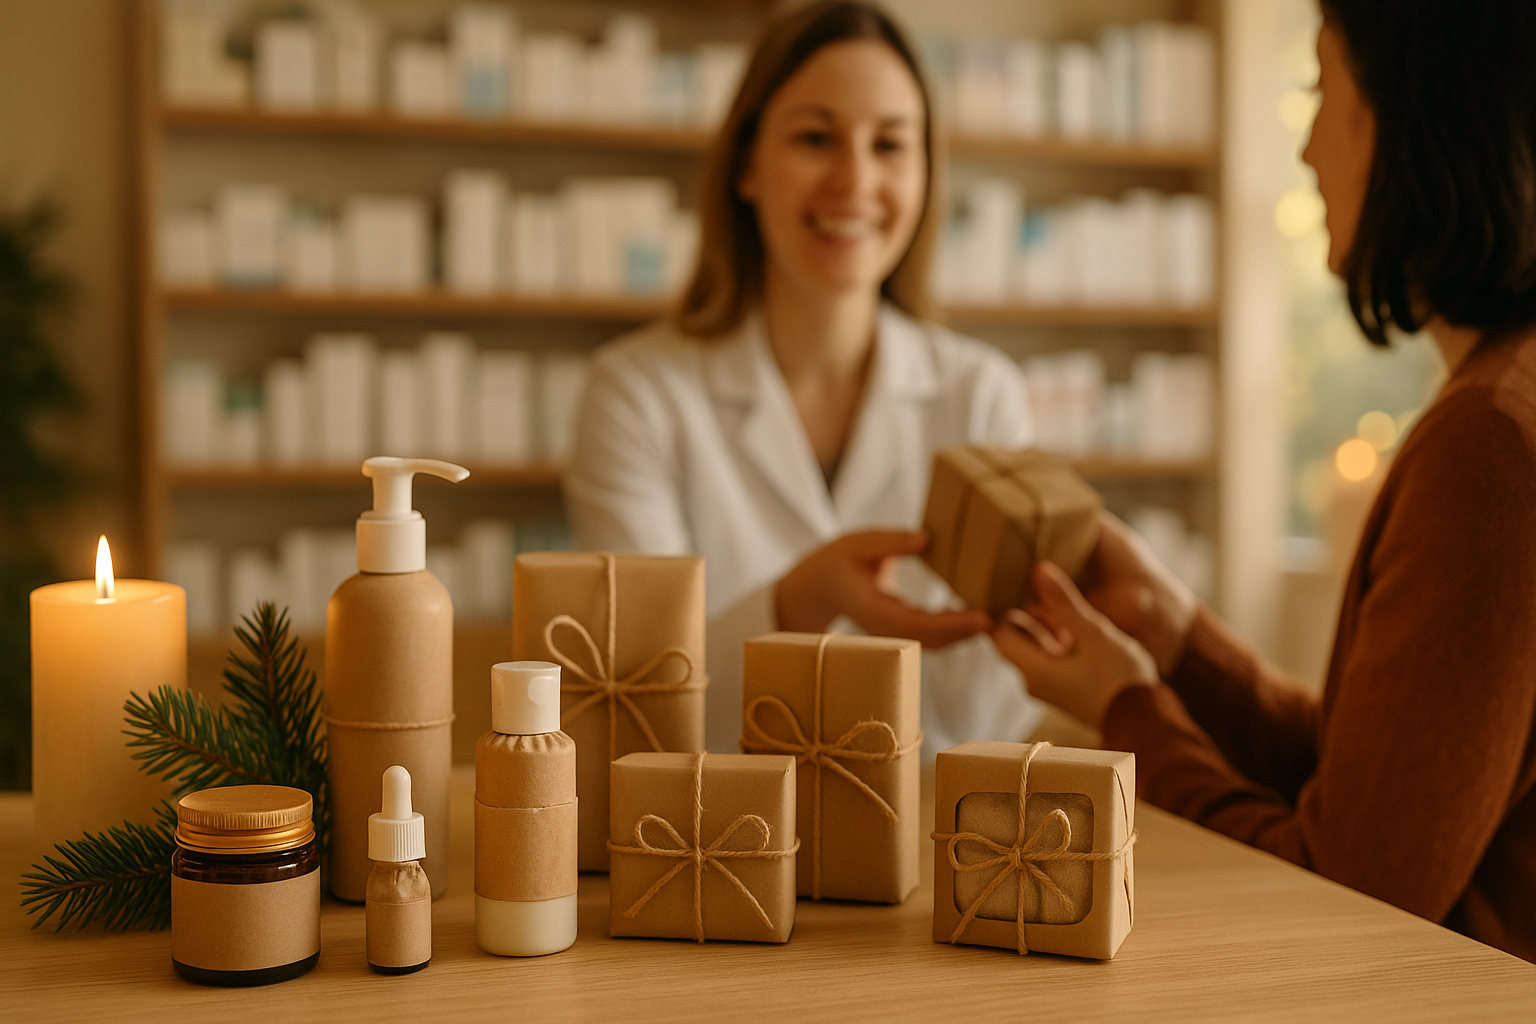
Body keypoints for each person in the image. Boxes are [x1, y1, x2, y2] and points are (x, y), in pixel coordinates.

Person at [990, 0, 1536, 963]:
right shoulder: (1504, 397)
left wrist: (1126, 708)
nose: (1306, 150)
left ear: (1414, 121)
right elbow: (1382, 790)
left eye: (1323, 93)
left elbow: (1350, 895)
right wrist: (1177, 641)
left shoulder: (1487, 447)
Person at [565, 1, 1043, 755]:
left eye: (890, 144)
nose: (855, 180)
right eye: (816, 138)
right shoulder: (635, 394)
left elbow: (994, 712)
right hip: (708, 822)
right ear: (746, 165)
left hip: (930, 819)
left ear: (925, 174)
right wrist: (799, 602)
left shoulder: (982, 397)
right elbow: (639, 704)